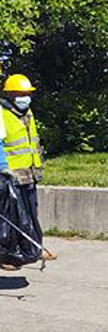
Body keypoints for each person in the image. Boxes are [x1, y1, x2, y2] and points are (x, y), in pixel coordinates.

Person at [0, 74, 56, 271]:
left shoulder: (27, 113)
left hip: (30, 175)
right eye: (21, 94)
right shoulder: (2, 113)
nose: (25, 97)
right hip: (10, 177)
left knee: (30, 215)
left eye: (27, 93)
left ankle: (33, 248)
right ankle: (7, 255)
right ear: (10, 94)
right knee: (11, 218)